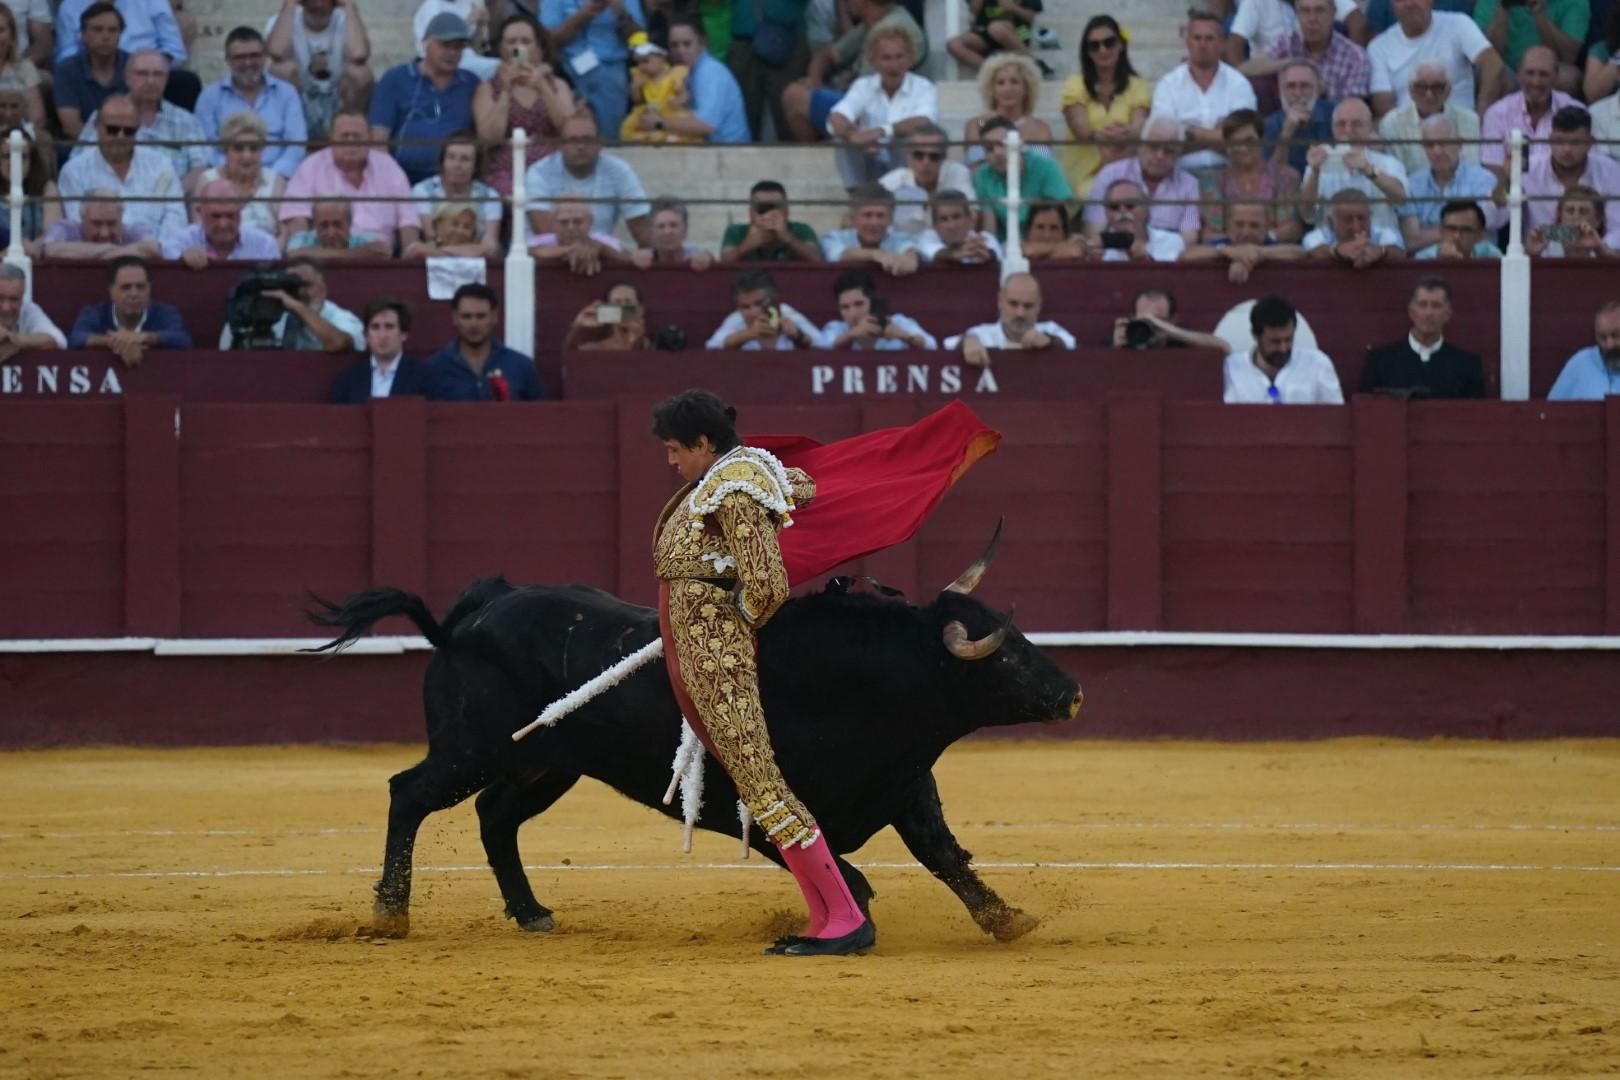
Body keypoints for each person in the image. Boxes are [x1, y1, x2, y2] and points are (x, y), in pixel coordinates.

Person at [649, 387, 874, 956]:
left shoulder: (734, 487)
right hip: (704, 649)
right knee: (754, 780)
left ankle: (845, 917)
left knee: (760, 779)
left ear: (704, 443)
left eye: (677, 449)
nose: (671, 462)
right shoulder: (724, 481)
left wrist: (732, 624)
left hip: (717, 653)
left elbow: (767, 583)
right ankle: (827, 916)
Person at [783, 0, 927, 148]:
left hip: (879, 115)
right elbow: (828, 55)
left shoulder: (894, 27)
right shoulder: (872, 22)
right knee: (804, 87)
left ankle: (823, 157)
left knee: (794, 95)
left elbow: (867, 92)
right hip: (855, 103)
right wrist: (816, 80)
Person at [281, 111, 424, 254]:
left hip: (379, 262)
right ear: (331, 139)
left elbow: (408, 222)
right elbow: (297, 225)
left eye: (357, 136)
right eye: (345, 136)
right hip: (322, 260)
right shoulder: (310, 168)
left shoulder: (389, 167)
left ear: (370, 139)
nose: (351, 142)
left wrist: (409, 260)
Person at [72, 50, 209, 194]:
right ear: (126, 78)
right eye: (142, 74)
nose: (151, 81)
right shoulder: (105, 116)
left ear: (166, 79)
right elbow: (80, 163)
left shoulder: (186, 121)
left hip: (171, 204)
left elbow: (200, 168)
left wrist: (170, 194)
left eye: (158, 74)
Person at [57, 95, 186, 246]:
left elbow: (176, 222)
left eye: (129, 131)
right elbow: (80, 228)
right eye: (112, 130)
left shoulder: (161, 166)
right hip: (99, 260)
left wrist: (157, 254)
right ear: (96, 126)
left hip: (157, 260)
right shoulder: (74, 172)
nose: (120, 136)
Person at [370, 12, 481, 185]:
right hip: (403, 179)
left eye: (458, 47)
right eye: (445, 45)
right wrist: (389, 184)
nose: (452, 52)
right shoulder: (396, 79)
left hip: (456, 182)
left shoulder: (471, 83)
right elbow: (379, 140)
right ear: (426, 43)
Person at [474, 14, 574, 196]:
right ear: (502, 49)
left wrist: (543, 87)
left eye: (526, 41)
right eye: (511, 42)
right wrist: (505, 90)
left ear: (539, 48)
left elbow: (569, 129)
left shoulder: (557, 85)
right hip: (506, 172)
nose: (518, 47)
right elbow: (489, 137)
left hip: (551, 169)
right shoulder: (488, 89)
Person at [827, 26, 938, 189]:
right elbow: (836, 117)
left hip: (905, 165)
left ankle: (902, 195)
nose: (894, 64)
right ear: (873, 61)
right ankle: (858, 199)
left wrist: (881, 131)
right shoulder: (863, 86)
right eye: (886, 58)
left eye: (899, 57)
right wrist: (854, 136)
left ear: (910, 59)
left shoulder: (923, 86)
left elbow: (924, 121)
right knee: (842, 139)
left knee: (906, 136)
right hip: (870, 158)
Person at [1148, 10, 1258, 171]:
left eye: (1209, 38)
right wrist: (1220, 135)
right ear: (1187, 42)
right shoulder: (1168, 85)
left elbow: (1243, 141)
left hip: (1230, 173)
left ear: (1221, 44)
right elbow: (1164, 142)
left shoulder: (1239, 84)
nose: (1202, 44)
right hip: (1179, 175)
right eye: (1197, 38)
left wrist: (1189, 132)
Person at [194, 27, 308, 181]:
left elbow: (296, 144)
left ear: (264, 57)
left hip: (279, 180)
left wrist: (271, 179)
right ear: (228, 60)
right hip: (226, 179)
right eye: (240, 57)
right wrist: (233, 174)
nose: (248, 63)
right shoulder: (209, 97)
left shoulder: (287, 93)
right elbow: (206, 148)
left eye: (254, 56)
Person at [524, 110, 652, 246]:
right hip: (549, 259)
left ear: (600, 143)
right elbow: (545, 233)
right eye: (573, 140)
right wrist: (586, 250)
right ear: (560, 145)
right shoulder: (539, 172)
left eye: (587, 140)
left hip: (601, 257)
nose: (580, 146)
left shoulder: (619, 171)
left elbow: (643, 233)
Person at [1060, 15, 1152, 198]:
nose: (1102, 50)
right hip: (1085, 172)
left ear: (1121, 45)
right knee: (1092, 192)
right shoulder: (1074, 85)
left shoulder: (1137, 86)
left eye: (1109, 42)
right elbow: (1082, 131)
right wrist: (1109, 136)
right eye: (1094, 46)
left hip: (1126, 170)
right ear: (1087, 52)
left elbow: (1140, 125)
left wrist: (1126, 134)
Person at [1367, 0, 1504, 117]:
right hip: (1409, 133)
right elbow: (1384, 107)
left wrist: (1480, 116)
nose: (1409, 4)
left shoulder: (1459, 24)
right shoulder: (1378, 47)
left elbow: (1492, 64)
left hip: (1460, 129)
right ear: (1392, 4)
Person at [1080, 116, 1200, 245]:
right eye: (1153, 147)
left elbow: (1189, 239)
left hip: (1166, 260)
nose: (1160, 156)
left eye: (1169, 151)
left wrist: (1150, 250)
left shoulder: (1189, 184)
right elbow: (1093, 233)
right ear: (1139, 146)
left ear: (1178, 154)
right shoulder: (1110, 174)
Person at [264, 0, 373, 142]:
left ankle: (348, 132)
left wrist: (350, 7)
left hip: (339, 99)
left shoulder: (346, 17)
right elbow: (277, 52)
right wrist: (289, 5)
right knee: (281, 70)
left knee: (359, 73)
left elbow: (359, 54)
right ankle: (294, 135)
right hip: (301, 99)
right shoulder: (284, 18)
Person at [1359, 275, 1485, 396]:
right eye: (1422, 304)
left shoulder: (1467, 365)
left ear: (1448, 314)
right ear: (1411, 312)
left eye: (1436, 305)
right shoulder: (1380, 361)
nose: (1428, 313)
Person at [1300, 97, 1409, 234]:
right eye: (1341, 124)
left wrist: (1368, 169)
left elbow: (1401, 199)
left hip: (1379, 243)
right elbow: (1306, 214)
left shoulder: (1388, 163)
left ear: (1369, 128)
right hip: (1331, 245)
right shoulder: (1318, 164)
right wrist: (1315, 172)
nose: (1348, 130)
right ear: (1332, 129)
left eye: (1356, 124)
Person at [539, 0, 645, 135]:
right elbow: (546, 41)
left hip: (611, 72)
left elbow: (640, 41)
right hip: (566, 69)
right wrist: (582, 16)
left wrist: (622, 14)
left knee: (609, 140)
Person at [424, 282, 544, 400]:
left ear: (494, 317)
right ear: (455, 318)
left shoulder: (521, 366)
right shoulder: (434, 369)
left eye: (481, 316)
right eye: (466, 316)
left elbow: (538, 415)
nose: (474, 324)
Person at [1198, 109, 1303, 242]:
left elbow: (1291, 229)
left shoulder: (1287, 176)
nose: (1242, 148)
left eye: (1249, 140)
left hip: (1273, 251)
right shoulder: (1211, 180)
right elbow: (1211, 232)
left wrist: (1260, 243)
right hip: (1227, 252)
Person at [1522, 105, 1620, 247]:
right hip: (1538, 258)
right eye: (1560, 141)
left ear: (1590, 143)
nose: (1566, 149)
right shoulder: (1528, 168)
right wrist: (1507, 179)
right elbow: (1493, 218)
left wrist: (1595, 248)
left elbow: (1617, 230)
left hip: (1595, 259)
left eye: (1575, 142)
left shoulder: (1610, 170)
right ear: (1549, 140)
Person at [220, 257, 364, 352]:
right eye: (291, 286)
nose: (300, 292)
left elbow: (341, 345)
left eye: (306, 285)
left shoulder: (342, 318)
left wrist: (299, 309)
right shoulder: (265, 313)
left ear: (323, 288)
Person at [1399, 118, 1502, 250]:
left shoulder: (1484, 180)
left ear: (1459, 144)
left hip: (1475, 263)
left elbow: (1481, 229)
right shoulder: (1412, 184)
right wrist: (1463, 229)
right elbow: (1411, 241)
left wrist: (1428, 233)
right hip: (1427, 265)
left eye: (1443, 144)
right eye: (1430, 145)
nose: (1437, 152)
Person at [67, 255, 192, 364]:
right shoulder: (93, 313)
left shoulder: (166, 312)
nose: (134, 294)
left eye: (141, 287)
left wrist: (146, 337)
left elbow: (183, 339)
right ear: (111, 291)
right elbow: (75, 339)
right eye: (126, 287)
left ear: (149, 288)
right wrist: (116, 341)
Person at [1223, 294, 1344, 403]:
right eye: (1275, 342)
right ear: (1255, 336)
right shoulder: (1231, 368)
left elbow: (1335, 416)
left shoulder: (1318, 364)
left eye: (1288, 339)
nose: (1283, 348)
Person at [1242, 0, 1371, 101]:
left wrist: (1318, 91)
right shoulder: (1288, 42)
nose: (1312, 19)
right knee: (1259, 85)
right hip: (1287, 118)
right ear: (1297, 15)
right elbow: (1246, 68)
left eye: (1319, 11)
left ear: (1333, 14)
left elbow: (1352, 107)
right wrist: (1291, 63)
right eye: (1305, 11)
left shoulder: (1355, 56)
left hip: (1331, 124)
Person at [1480, 46, 1577, 179]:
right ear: (1519, 74)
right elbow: (1493, 170)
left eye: (1544, 74)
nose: (1535, 82)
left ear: (1556, 77)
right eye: (1530, 73)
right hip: (1512, 194)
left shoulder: (1575, 112)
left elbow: (1583, 166)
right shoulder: (1497, 114)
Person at [945, 272, 1076, 368]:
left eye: (1028, 306)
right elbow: (947, 346)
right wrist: (967, 342)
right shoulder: (981, 335)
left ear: (1039, 305)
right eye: (1013, 304)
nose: (1020, 313)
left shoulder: (1051, 329)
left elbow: (1072, 347)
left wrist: (1049, 341)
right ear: (1000, 301)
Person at [973, 115, 1073, 240]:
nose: (997, 153)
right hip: (1005, 246)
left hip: (1045, 241)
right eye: (989, 149)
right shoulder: (983, 175)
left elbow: (1060, 219)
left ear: (1019, 144)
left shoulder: (1047, 167)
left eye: (1002, 144)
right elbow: (989, 228)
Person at [1376, 61, 1483, 176]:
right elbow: (1395, 173)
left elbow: (1472, 166)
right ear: (1410, 91)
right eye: (1421, 87)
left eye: (1437, 87)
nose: (1429, 95)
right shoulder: (1391, 123)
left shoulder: (1469, 119)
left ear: (1449, 91)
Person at [191, 111, 284, 238]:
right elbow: (198, 231)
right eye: (238, 148)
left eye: (253, 148)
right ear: (225, 150)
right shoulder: (208, 180)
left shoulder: (275, 181)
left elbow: (284, 233)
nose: (247, 156)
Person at [410, 131, 500, 257]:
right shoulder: (422, 190)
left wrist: (443, 252)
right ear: (443, 161)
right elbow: (432, 237)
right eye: (451, 157)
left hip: (474, 264)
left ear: (475, 166)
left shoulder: (490, 196)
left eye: (465, 159)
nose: (457, 165)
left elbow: (490, 248)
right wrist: (472, 250)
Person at [661, 15, 748, 143]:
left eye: (687, 44)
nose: (680, 51)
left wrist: (658, 123)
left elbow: (706, 125)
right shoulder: (686, 72)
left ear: (703, 43)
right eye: (674, 45)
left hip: (729, 153)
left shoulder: (710, 71)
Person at [53, 3, 131, 140]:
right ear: (83, 35)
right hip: (82, 147)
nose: (105, 36)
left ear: (120, 35)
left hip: (129, 143)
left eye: (112, 30)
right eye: (98, 30)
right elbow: (71, 126)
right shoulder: (66, 70)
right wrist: (108, 147)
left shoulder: (134, 66)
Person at [962, 53, 1054, 169]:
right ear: (992, 89)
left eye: (1014, 82)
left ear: (1026, 88)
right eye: (1000, 83)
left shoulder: (1041, 128)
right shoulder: (975, 125)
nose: (1008, 89)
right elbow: (975, 168)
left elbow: (1046, 169)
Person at [878, 122, 973, 233]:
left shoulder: (957, 173)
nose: (926, 162)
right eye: (918, 155)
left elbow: (972, 215)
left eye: (934, 156)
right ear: (908, 156)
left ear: (944, 158)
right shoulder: (891, 183)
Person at [1180, 199, 1307, 282]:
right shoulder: (1220, 244)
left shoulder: (1272, 246)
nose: (1246, 232)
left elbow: (1300, 253)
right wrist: (1224, 251)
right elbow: (1186, 255)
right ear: (1228, 226)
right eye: (1239, 225)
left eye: (1255, 225)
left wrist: (1259, 253)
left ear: (1268, 226)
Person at [163, 178, 283, 265]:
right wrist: (180, 260)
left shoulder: (265, 246)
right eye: (215, 216)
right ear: (200, 212)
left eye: (230, 215)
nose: (223, 224)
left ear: (241, 212)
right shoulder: (180, 244)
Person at [329, 298, 428, 402]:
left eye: (389, 327)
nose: (382, 335)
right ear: (366, 335)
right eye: (375, 327)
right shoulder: (347, 381)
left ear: (403, 334)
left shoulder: (425, 377)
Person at [705, 268, 824, 350]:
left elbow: (824, 345)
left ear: (775, 298)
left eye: (759, 303)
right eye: (745, 307)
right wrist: (747, 334)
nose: (754, 312)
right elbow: (711, 347)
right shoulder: (736, 319)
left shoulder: (789, 314)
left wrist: (798, 336)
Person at [820, 268, 937, 349]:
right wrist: (851, 335)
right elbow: (822, 347)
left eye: (859, 304)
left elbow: (932, 345)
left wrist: (904, 336)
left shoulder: (898, 322)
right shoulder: (836, 328)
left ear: (873, 301)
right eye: (845, 307)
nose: (853, 313)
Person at [1475, 0, 1585, 83]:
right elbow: (1485, 53)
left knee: (1568, 77)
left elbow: (1567, 58)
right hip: (1506, 73)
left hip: (1547, 71)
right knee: (1489, 71)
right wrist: (1503, 7)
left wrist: (1540, 14)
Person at [819, 183, 920, 273]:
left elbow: (909, 252)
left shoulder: (900, 239)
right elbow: (840, 255)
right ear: (853, 219)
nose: (874, 222)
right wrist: (876, 255)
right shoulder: (834, 238)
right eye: (867, 215)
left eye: (880, 216)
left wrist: (910, 260)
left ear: (891, 220)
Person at [623, 32, 699, 143]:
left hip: (670, 111)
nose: (641, 66)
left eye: (645, 61)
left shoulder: (674, 75)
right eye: (638, 62)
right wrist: (635, 88)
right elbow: (638, 100)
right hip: (651, 110)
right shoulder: (641, 77)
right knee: (631, 126)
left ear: (662, 58)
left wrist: (679, 100)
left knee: (678, 126)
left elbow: (684, 94)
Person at [720, 180, 823, 261]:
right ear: (751, 213)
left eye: (774, 208)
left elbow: (817, 259)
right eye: (762, 208)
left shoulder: (802, 230)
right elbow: (723, 261)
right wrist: (747, 245)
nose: (768, 215)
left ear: (786, 211)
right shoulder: (736, 231)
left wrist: (787, 238)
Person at [1088, 178, 1188, 262]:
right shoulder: (1097, 247)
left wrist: (1147, 260)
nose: (1122, 211)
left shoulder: (1172, 241)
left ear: (1146, 209)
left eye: (1130, 205)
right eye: (1114, 206)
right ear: (1106, 213)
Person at [1265, 58, 1337, 175]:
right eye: (1291, 86)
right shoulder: (1269, 125)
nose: (1298, 93)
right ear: (1280, 91)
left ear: (1318, 89)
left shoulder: (1336, 114)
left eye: (1305, 86)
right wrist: (1286, 133)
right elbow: (1270, 178)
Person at [529, 194, 632, 275]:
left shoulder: (607, 241)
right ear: (553, 224)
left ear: (590, 221)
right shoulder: (538, 241)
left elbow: (624, 259)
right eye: (564, 222)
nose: (571, 227)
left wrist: (602, 249)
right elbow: (528, 252)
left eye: (577, 221)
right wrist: (572, 249)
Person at [40, 191, 160, 260]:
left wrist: (89, 253)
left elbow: (153, 249)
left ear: (121, 218)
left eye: (112, 224)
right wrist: (107, 249)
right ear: (82, 218)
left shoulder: (133, 229)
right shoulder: (66, 228)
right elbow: (48, 249)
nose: (104, 233)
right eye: (96, 224)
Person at [1304, 188, 1407, 265]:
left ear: (1370, 217)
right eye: (1348, 219)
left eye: (1361, 218)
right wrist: (1340, 251)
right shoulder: (1316, 236)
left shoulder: (1386, 233)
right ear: (1330, 222)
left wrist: (1380, 252)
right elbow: (1313, 252)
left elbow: (1399, 253)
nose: (1356, 226)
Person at [1109, 287, 1232, 349]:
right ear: (1132, 317)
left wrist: (1172, 332)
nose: (1149, 324)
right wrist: (1116, 350)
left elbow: (1224, 347)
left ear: (1173, 320)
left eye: (1157, 319)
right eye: (1143, 319)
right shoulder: (1124, 340)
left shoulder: (1182, 343)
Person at [947, 0, 1047, 73]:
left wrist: (1013, 8)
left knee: (996, 28)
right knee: (954, 44)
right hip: (985, 35)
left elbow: (1030, 16)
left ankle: (1031, 62)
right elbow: (974, 12)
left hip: (1017, 33)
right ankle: (993, 70)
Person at [0, 126, 56, 255]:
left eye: (23, 156)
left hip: (37, 257)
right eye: (7, 156)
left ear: (32, 160)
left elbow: (53, 234)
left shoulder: (46, 188)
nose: (14, 162)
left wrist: (29, 248)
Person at [1547, 301, 1620, 399]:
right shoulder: (1580, 363)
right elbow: (1550, 410)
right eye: (1602, 337)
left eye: (1615, 335)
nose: (1609, 345)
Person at [1525, 184, 1617, 256]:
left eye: (1583, 211)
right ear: (1559, 215)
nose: (1576, 216)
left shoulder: (1604, 249)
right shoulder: (1545, 249)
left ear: (1598, 220)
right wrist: (1531, 254)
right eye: (1570, 210)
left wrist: (1600, 250)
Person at [917, 188, 1003, 264]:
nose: (952, 226)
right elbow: (932, 251)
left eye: (956, 217)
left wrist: (983, 253)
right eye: (944, 219)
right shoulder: (926, 238)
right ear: (935, 226)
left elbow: (994, 253)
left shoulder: (986, 238)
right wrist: (956, 254)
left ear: (969, 219)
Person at [286, 198, 390, 259]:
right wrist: (355, 254)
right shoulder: (301, 239)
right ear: (314, 225)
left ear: (349, 224)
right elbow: (293, 256)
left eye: (337, 224)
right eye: (324, 225)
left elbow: (384, 251)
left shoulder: (362, 239)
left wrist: (318, 254)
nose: (331, 233)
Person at [562, 280, 651, 350]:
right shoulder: (594, 349)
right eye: (617, 303)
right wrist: (577, 326)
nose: (623, 307)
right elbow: (570, 362)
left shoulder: (652, 345)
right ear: (607, 310)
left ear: (640, 310)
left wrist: (637, 341)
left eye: (628, 302)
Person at [0, 262, 65, 356]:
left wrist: (14, 341)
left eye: (13, 299)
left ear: (22, 298)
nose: (6, 308)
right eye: (0, 298)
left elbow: (58, 339)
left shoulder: (27, 309)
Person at [0, 4, 46, 137]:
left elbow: (37, 118)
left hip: (20, 139)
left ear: (12, 35)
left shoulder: (25, 68)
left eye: (0, 30)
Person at [631, 195, 713, 269]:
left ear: (685, 231)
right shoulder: (644, 257)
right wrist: (632, 259)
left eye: (673, 225)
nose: (667, 232)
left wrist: (709, 258)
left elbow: (710, 258)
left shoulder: (695, 254)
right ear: (652, 233)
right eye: (661, 226)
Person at [1412, 198, 1503, 256]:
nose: (1457, 236)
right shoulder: (1424, 259)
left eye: (1466, 230)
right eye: (1451, 229)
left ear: (1481, 235)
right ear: (1441, 230)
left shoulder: (1491, 255)